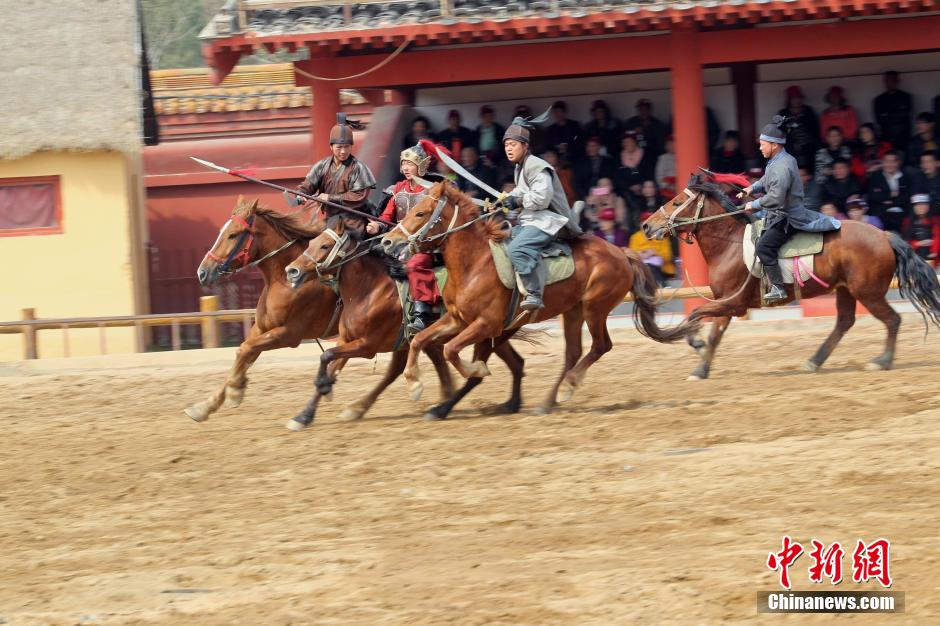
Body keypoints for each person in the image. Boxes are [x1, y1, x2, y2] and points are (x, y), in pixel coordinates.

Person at [739, 115, 840, 304]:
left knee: (764, 247)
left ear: (774, 145)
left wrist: (755, 204)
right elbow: (767, 180)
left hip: (787, 217)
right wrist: (754, 188)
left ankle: (778, 288)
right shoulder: (780, 160)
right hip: (781, 213)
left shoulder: (781, 166)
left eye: (762, 144)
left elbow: (776, 197)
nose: (760, 147)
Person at [501, 114, 584, 310]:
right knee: (502, 243)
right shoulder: (520, 167)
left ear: (525, 146)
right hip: (531, 220)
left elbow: (541, 198)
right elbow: (521, 191)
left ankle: (534, 293)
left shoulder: (538, 166)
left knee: (517, 249)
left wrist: (518, 200)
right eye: (506, 145)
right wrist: (503, 200)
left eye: (513, 144)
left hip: (547, 221)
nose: (509, 149)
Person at [367, 141, 441, 332]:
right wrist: (377, 225)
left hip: (424, 243)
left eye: (410, 164)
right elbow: (387, 216)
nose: (405, 168)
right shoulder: (398, 189)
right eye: (404, 164)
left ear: (421, 166)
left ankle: (422, 313)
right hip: (399, 241)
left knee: (414, 264)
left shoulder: (431, 191)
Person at [297, 113, 377, 228]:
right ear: (331, 147)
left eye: (347, 147)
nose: (343, 151)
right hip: (331, 218)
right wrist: (301, 194)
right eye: (339, 147)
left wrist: (330, 198)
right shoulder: (321, 166)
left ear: (351, 146)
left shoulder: (359, 168)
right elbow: (308, 186)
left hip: (354, 219)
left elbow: (358, 196)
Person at [866, 151, 912, 233]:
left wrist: (888, 201)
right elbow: (873, 196)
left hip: (901, 213)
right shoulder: (876, 176)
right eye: (887, 161)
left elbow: (907, 196)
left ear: (898, 163)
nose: (889, 164)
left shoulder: (905, 177)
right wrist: (892, 194)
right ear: (882, 162)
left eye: (892, 161)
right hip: (882, 213)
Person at [778, 85, 819, 170]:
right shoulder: (783, 113)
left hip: (808, 144)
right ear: (789, 100)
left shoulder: (808, 111)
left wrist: (806, 141)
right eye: (793, 98)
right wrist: (793, 143)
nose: (797, 101)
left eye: (798, 98)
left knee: (814, 149)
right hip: (790, 145)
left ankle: (809, 176)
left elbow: (815, 130)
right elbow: (779, 133)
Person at [628, 211, 675, 285]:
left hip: (662, 269)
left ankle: (657, 286)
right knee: (645, 268)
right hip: (641, 268)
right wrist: (641, 255)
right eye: (644, 223)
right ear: (640, 224)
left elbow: (668, 256)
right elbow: (631, 256)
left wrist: (653, 253)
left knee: (650, 268)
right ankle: (658, 286)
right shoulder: (635, 237)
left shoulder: (662, 236)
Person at [873, 71, 912, 153]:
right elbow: (879, 120)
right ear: (884, 81)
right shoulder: (879, 100)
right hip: (886, 138)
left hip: (903, 138)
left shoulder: (905, 97)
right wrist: (896, 115)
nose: (890, 83)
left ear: (897, 81)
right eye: (888, 80)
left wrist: (887, 115)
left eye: (893, 80)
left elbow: (905, 115)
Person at [903, 194, 940, 265]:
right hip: (915, 257)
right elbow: (905, 241)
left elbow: (937, 235)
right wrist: (918, 243)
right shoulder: (907, 221)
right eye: (918, 205)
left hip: (933, 257)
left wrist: (934, 251)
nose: (921, 207)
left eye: (924, 204)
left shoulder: (936, 220)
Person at [915, 151, 940, 216]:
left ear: (937, 163)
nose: (925, 165)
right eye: (923, 162)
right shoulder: (918, 178)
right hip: (925, 211)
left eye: (929, 162)